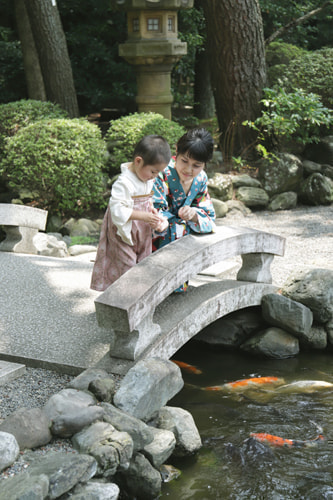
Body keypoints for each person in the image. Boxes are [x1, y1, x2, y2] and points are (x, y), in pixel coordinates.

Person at [90, 135, 171, 291]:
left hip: (142, 228)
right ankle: (123, 298)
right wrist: (144, 215)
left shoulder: (147, 178)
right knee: (127, 265)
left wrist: (152, 210)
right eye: (153, 172)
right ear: (138, 161)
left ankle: (138, 297)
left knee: (144, 261)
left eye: (158, 173)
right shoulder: (124, 182)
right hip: (124, 229)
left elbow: (148, 199)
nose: (154, 176)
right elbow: (118, 209)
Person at [152, 128, 216, 291]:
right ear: (176, 152)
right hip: (158, 234)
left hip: (183, 238)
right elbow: (153, 210)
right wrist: (165, 219)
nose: (189, 169)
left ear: (205, 164)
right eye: (184, 161)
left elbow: (209, 217)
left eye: (197, 165)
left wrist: (194, 215)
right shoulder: (161, 173)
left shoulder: (201, 179)